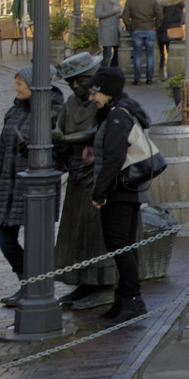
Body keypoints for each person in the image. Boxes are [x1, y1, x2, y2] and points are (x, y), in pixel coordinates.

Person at [0, 65, 62, 307]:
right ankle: (26, 282)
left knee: (36, 240)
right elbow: (1, 148)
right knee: (3, 238)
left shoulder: (54, 111)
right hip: (9, 186)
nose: (15, 87)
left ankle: (35, 288)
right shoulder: (15, 110)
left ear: (34, 86)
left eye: (20, 84)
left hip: (37, 188)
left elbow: (61, 152)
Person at [88, 67, 150, 323]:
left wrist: (99, 193)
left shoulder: (116, 116)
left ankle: (133, 299)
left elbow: (114, 158)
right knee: (125, 244)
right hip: (130, 190)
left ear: (107, 92)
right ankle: (124, 297)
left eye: (95, 92)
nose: (92, 97)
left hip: (120, 191)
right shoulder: (120, 112)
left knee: (119, 245)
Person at [53, 52, 113, 309]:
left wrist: (67, 140)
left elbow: (101, 131)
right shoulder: (71, 103)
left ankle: (106, 285)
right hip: (77, 179)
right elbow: (61, 127)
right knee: (76, 234)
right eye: (71, 82)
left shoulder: (103, 100)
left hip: (98, 178)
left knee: (97, 233)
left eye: (81, 80)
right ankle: (84, 282)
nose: (77, 86)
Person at [122, 0, 162, 85]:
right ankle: (149, 78)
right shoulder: (152, 0)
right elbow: (160, 15)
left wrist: (129, 28)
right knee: (150, 55)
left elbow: (125, 16)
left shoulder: (130, 1)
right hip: (150, 28)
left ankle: (137, 79)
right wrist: (156, 26)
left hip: (136, 29)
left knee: (137, 55)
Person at [155, 0, 184, 73]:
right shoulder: (180, 4)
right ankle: (174, 72)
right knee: (173, 52)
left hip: (165, 31)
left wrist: (158, 25)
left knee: (162, 52)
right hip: (176, 30)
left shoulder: (168, 5)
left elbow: (166, 19)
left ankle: (163, 71)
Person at [94, 0, 123, 69]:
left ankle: (113, 69)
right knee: (107, 53)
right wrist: (113, 11)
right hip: (106, 30)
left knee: (117, 51)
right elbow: (98, 14)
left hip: (116, 28)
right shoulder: (101, 0)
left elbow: (119, 9)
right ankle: (104, 71)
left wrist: (121, 13)